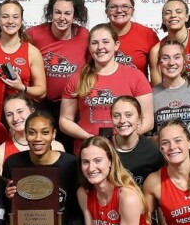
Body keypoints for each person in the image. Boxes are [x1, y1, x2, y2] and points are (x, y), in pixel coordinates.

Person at [60, 23, 153, 153]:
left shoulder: (136, 76)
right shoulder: (77, 78)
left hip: (125, 151)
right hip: (88, 151)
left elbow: (148, 121)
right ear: (89, 47)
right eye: (94, 43)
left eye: (105, 42)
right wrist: (90, 139)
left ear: (116, 45)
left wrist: (123, 139)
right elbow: (65, 120)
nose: (100, 47)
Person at [27, 0, 90, 150]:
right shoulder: (34, 34)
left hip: (71, 106)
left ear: (75, 14)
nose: (62, 18)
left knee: (68, 152)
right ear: (51, 12)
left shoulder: (85, 36)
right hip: (40, 104)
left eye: (67, 13)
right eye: (58, 12)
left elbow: (93, 70)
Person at [0, 0, 47, 101]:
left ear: (21, 21)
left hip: (20, 112)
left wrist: (22, 88)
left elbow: (42, 92)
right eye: (5, 16)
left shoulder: (32, 52)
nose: (10, 21)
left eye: (15, 17)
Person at [104, 0, 159, 78]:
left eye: (125, 6)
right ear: (107, 12)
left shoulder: (147, 34)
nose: (119, 10)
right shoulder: (98, 34)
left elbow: (157, 74)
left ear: (132, 11)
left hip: (139, 92)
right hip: (106, 91)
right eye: (113, 7)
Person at [0, 93, 64, 168]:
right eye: (9, 114)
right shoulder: (1, 152)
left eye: (20, 111)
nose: (15, 118)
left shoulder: (56, 147)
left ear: (32, 111)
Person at [110, 96, 163, 187]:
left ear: (139, 119)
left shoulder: (153, 151)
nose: (122, 120)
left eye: (129, 115)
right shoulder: (103, 147)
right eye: (116, 116)